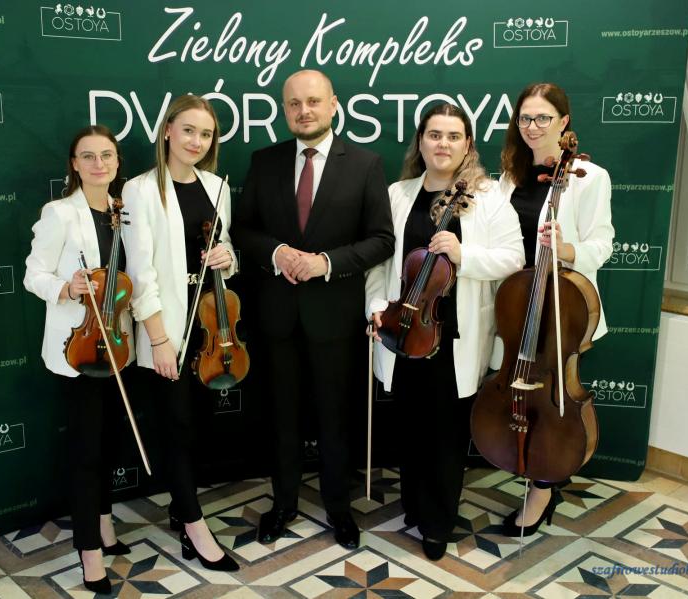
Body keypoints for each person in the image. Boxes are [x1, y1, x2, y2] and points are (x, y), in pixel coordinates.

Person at [231, 69, 394, 550]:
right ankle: (283, 504)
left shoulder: (365, 164)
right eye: (294, 103)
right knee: (281, 418)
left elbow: (382, 239)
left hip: (335, 319)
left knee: (334, 420)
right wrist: (278, 253)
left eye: (314, 101)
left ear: (333, 105)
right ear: (285, 110)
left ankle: (338, 509)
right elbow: (244, 230)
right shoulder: (264, 162)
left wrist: (326, 263)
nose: (304, 111)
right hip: (277, 318)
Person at [365, 103, 524, 560]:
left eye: (454, 136)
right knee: (411, 428)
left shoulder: (488, 196)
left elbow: (514, 258)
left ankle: (437, 524)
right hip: (403, 331)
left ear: (467, 144)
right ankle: (415, 506)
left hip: (455, 337)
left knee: (446, 435)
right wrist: (377, 308)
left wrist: (462, 254)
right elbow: (380, 263)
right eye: (434, 135)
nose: (443, 144)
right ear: (420, 141)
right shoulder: (398, 193)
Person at [121, 95, 239, 571]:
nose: (196, 141)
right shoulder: (139, 189)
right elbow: (140, 273)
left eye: (206, 134)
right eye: (188, 130)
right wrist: (158, 339)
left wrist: (228, 257)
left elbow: (224, 247)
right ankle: (194, 527)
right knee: (177, 425)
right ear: (167, 130)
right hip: (168, 329)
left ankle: (179, 507)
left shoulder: (217, 186)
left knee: (200, 427)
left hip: (211, 327)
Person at [498, 82, 614, 536]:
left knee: (553, 401)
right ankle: (523, 464)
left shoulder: (589, 176)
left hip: (562, 309)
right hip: (516, 306)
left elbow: (602, 243)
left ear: (563, 121)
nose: (533, 127)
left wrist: (567, 250)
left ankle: (543, 486)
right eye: (525, 118)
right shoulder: (509, 175)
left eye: (543, 118)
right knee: (517, 391)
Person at [24, 125, 134, 595]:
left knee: (109, 443)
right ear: (74, 164)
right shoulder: (60, 213)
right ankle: (89, 550)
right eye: (87, 156)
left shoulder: (123, 212)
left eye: (106, 155)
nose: (98, 164)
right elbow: (33, 274)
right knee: (86, 450)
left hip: (118, 346)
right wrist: (66, 287)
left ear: (117, 161)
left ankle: (104, 522)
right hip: (79, 347)